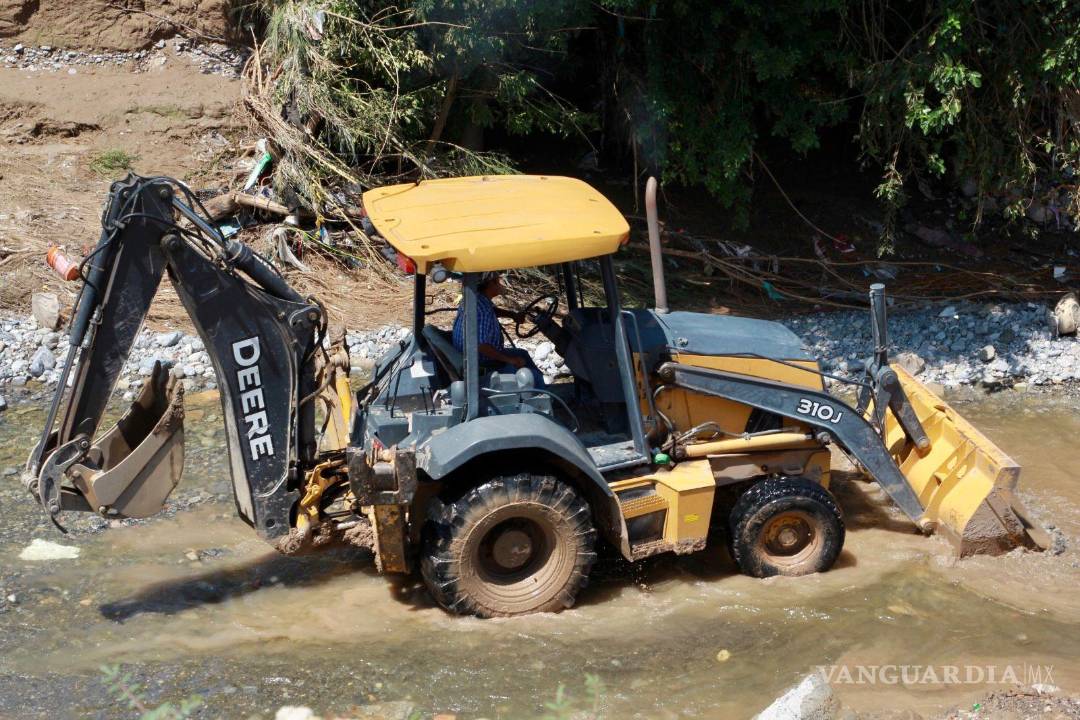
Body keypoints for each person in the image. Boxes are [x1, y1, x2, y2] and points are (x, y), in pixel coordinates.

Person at [452, 273, 545, 387]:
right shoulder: (481, 310)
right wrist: (510, 360)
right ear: (491, 283)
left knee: (522, 353)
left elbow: (492, 311)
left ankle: (542, 388)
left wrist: (512, 315)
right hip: (481, 364)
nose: (500, 284)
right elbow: (480, 345)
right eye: (498, 281)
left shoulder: (477, 300)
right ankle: (543, 396)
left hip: (469, 356)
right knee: (532, 375)